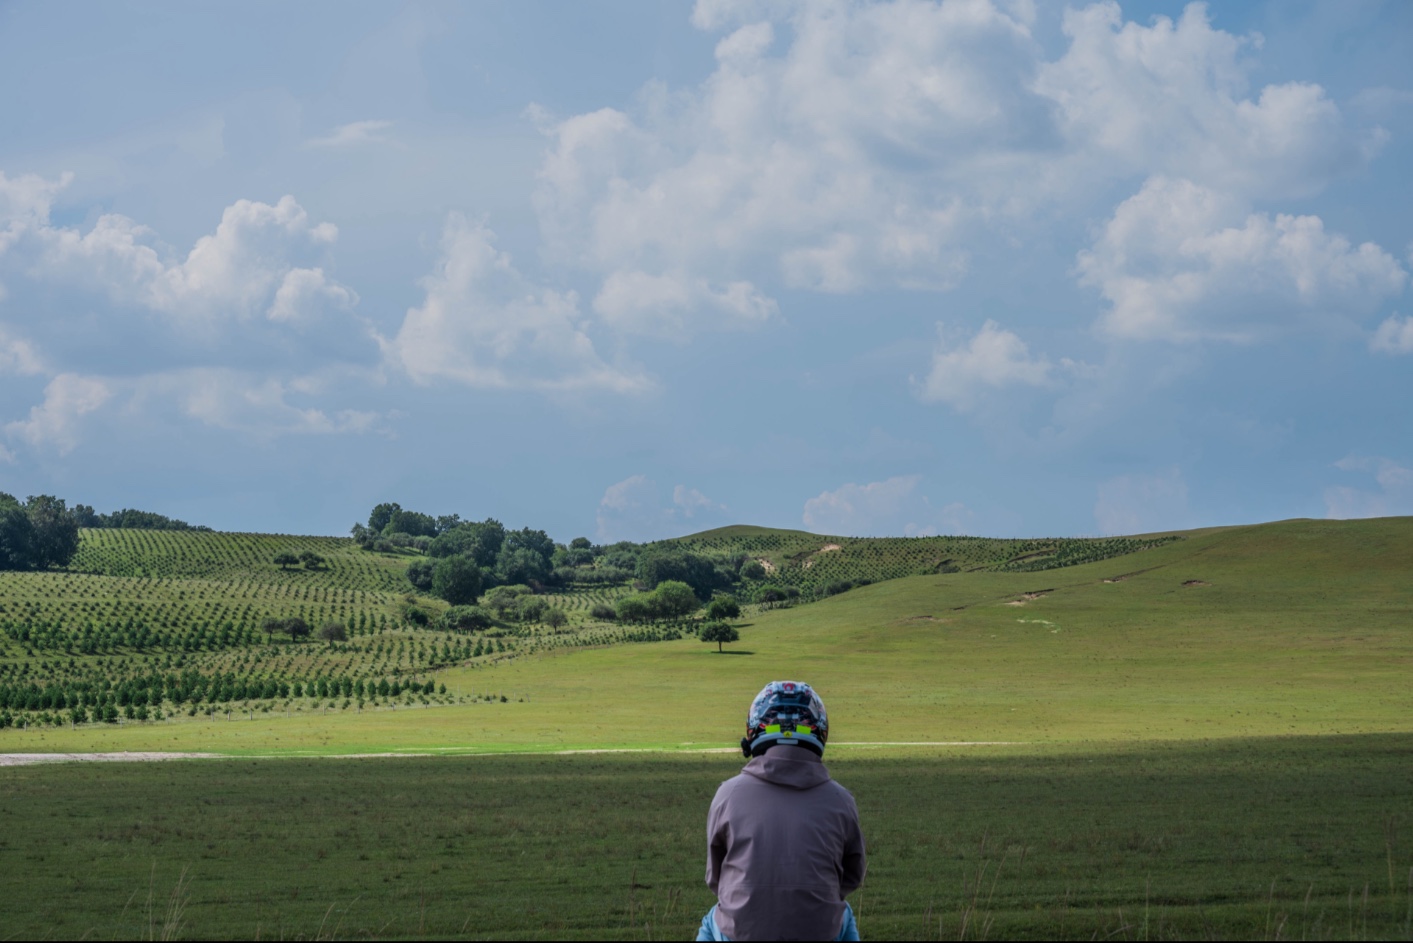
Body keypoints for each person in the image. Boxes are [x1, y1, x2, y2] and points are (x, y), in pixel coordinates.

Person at [698, 680, 866, 942]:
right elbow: (853, 876)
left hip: (741, 932)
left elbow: (715, 879)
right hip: (819, 932)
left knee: (712, 920)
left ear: (755, 729)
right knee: (843, 913)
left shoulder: (728, 794)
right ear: (819, 731)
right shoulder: (841, 799)